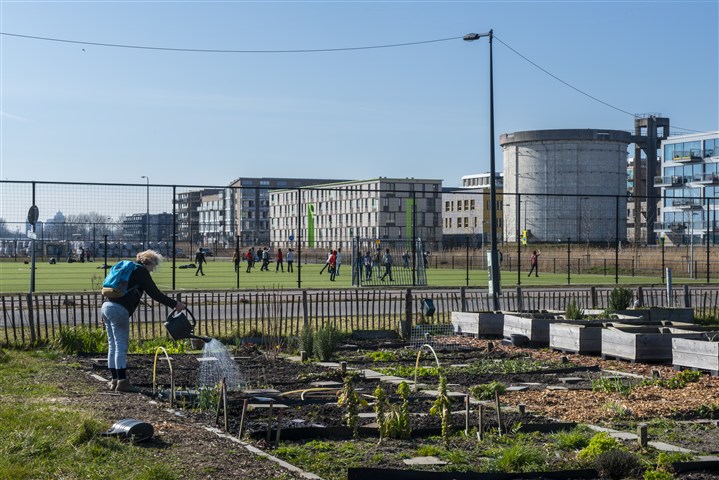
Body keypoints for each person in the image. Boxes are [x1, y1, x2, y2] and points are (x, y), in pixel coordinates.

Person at [102, 250, 184, 392]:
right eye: (154, 266)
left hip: (106, 306)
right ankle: (122, 382)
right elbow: (155, 293)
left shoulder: (128, 268)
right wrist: (175, 304)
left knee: (113, 345)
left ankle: (114, 380)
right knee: (121, 345)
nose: (153, 269)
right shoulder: (140, 272)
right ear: (150, 263)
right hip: (119, 309)